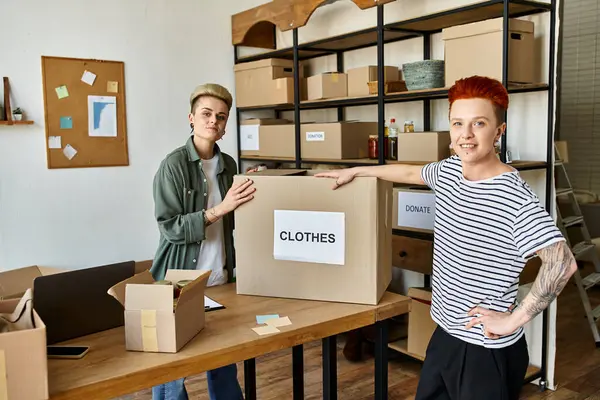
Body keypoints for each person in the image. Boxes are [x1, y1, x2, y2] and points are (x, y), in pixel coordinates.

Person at [316, 75, 578, 400]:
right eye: (458, 123)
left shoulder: (511, 194)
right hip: (446, 334)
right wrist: (356, 171)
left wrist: (513, 320)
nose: (465, 135)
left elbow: (562, 263)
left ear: (498, 131)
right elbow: (411, 172)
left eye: (478, 123)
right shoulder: (451, 171)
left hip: (483, 349)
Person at [149, 83, 256, 400]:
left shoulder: (229, 167)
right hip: (178, 280)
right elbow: (169, 227)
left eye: (221, 117)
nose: (214, 121)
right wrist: (220, 209)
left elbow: (236, 221)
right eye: (206, 114)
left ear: (225, 127)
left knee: (223, 362)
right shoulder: (173, 165)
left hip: (221, 276)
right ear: (191, 118)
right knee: (172, 373)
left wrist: (257, 187)